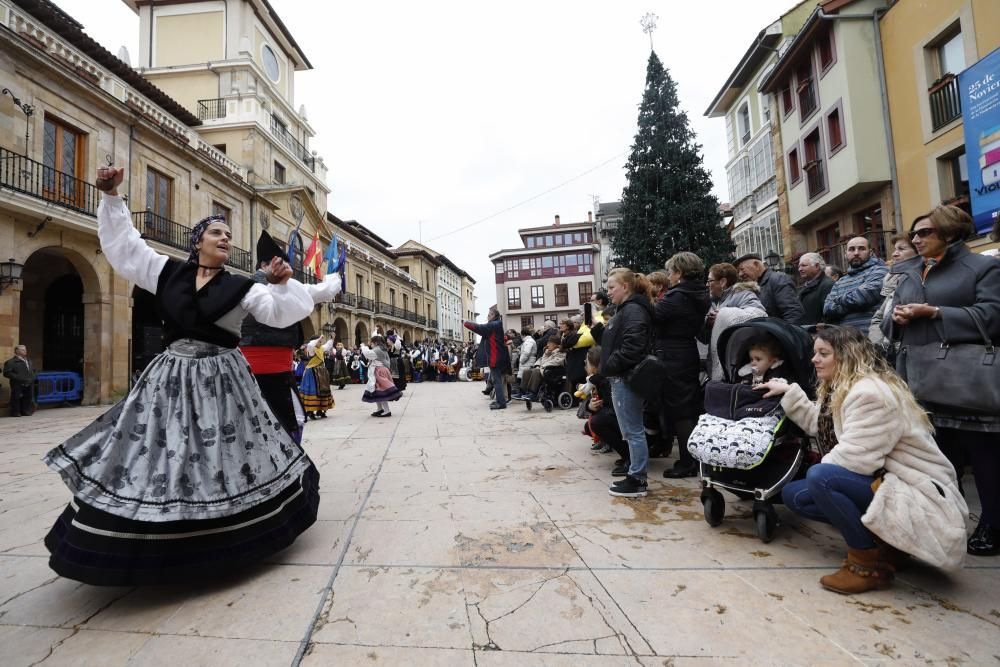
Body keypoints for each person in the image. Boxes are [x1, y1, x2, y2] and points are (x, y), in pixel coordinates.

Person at [42, 165, 320, 586]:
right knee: (160, 448)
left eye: (229, 235)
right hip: (169, 378)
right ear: (198, 243)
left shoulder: (244, 287)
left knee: (221, 453)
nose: (225, 239)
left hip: (223, 379)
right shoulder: (166, 271)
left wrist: (284, 285)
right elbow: (125, 249)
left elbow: (282, 312)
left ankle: (228, 536)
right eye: (217, 233)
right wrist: (112, 198)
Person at [759, 326, 967, 594]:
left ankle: (866, 565)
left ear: (847, 356)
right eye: (815, 353)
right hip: (885, 480)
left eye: (823, 353)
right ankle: (889, 546)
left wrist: (820, 473)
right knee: (794, 495)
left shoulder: (871, 393)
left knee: (821, 479)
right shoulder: (843, 387)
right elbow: (821, 425)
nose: (814, 359)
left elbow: (855, 458)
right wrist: (789, 392)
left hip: (918, 492)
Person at [887, 206, 1000, 556]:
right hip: (920, 379)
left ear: (951, 233)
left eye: (926, 233)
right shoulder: (908, 273)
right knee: (939, 458)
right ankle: (947, 521)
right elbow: (891, 321)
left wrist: (935, 312)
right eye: (914, 234)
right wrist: (898, 317)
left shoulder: (983, 267)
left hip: (966, 382)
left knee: (985, 459)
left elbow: (993, 316)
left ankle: (994, 524)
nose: (916, 239)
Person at [239, 231, 342, 443]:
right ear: (265, 265)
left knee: (289, 420)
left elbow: (322, 290)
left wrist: (333, 276)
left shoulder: (290, 287)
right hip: (257, 372)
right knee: (273, 423)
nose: (287, 270)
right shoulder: (248, 288)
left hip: (281, 371)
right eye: (281, 264)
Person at [654, 253, 711, 479]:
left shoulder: (678, 295)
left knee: (681, 412)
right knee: (688, 410)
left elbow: (654, 316)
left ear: (679, 272)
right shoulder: (697, 293)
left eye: (670, 272)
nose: (669, 276)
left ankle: (688, 463)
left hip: (674, 355)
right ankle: (693, 460)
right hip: (687, 351)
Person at [603, 268, 655, 498]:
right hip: (621, 377)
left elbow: (633, 346)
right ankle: (635, 476)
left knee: (633, 431)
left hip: (626, 378)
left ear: (625, 287)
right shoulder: (626, 309)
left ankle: (638, 480)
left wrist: (609, 366)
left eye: (611, 287)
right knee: (631, 431)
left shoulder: (633, 309)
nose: (609, 292)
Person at [701, 263, 767, 382]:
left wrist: (723, 315)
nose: (707, 285)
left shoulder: (744, 294)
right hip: (719, 362)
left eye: (710, 280)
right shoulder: (713, 301)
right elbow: (705, 338)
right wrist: (709, 323)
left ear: (722, 282)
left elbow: (758, 314)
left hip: (736, 362)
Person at [823, 237, 888, 331]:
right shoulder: (841, 281)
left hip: (872, 336)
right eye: (852, 249)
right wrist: (857, 305)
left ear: (871, 252)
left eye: (862, 248)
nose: (856, 253)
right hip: (847, 340)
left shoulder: (881, 271)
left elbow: (863, 297)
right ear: (845, 254)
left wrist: (837, 300)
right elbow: (827, 309)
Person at [869, 235, 918, 348]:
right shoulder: (894, 281)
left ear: (918, 252)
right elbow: (878, 319)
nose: (894, 254)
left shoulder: (922, 280)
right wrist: (878, 346)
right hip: (891, 352)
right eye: (895, 249)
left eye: (901, 249)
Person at [464, 305, 510, 410]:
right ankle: (500, 401)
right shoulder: (496, 324)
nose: (488, 317)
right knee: (496, 380)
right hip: (497, 357)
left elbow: (479, 328)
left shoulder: (494, 324)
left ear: (494, 316)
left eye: (489, 315)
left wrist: (466, 323)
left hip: (495, 357)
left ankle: (501, 403)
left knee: (497, 380)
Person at [735, 253, 802, 324]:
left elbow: (792, 312)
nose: (740, 274)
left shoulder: (778, 280)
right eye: (738, 271)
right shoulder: (753, 286)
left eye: (742, 269)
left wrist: (783, 334)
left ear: (756, 265)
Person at [362, 335, 403, 416]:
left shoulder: (378, 349)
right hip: (380, 370)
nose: (371, 345)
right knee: (376, 391)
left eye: (372, 343)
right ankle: (380, 409)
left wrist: (363, 347)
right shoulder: (382, 348)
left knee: (381, 391)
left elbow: (368, 354)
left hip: (379, 371)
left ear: (376, 343)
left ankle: (387, 411)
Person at [299, 336, 334, 419]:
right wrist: (319, 338)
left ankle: (320, 410)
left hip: (321, 372)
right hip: (312, 372)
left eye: (321, 341)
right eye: (319, 341)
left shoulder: (321, 348)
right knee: (313, 391)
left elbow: (328, 345)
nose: (320, 343)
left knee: (323, 390)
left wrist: (332, 338)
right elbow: (310, 344)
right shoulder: (311, 349)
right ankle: (310, 411)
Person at [797, 252, 834, 326]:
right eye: (799, 266)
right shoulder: (803, 288)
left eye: (804, 265)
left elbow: (829, 314)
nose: (800, 269)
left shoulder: (828, 285)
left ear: (817, 266)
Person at [3, 344, 35, 417]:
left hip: (29, 382)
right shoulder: (11, 362)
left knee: (28, 397)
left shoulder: (28, 360)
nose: (25, 351)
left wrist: (33, 376)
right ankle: (15, 412)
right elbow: (7, 373)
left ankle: (26, 411)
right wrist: (18, 377)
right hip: (17, 383)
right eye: (23, 350)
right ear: (17, 351)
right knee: (16, 397)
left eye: (25, 349)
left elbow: (32, 370)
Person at [515, 326, 537, 393]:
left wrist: (521, 360)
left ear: (523, 334)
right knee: (523, 378)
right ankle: (522, 393)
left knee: (524, 378)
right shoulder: (529, 341)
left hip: (527, 362)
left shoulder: (528, 341)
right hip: (529, 361)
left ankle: (523, 393)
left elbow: (526, 352)